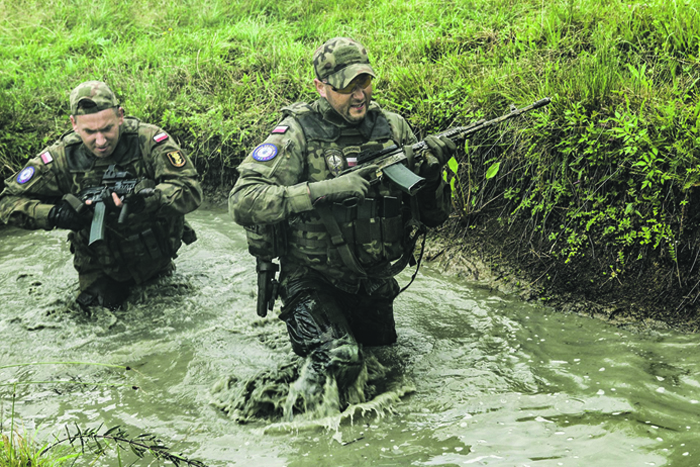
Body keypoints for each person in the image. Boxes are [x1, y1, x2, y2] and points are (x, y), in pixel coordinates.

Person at [228, 37, 456, 416]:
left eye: (364, 83)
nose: (358, 95)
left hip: (372, 281)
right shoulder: (296, 133)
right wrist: (323, 190)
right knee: (340, 357)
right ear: (320, 86)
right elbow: (243, 200)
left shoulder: (394, 128)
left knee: (380, 372)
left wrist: (432, 178)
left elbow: (433, 218)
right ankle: (265, 414)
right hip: (313, 278)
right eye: (346, 86)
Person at [0, 80, 203, 310]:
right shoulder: (60, 158)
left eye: (107, 128)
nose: (101, 140)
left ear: (120, 116)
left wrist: (149, 199)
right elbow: (6, 202)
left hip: (155, 259)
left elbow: (190, 188)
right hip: (99, 268)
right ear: (74, 124)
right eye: (90, 131)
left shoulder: (149, 141)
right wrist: (54, 215)